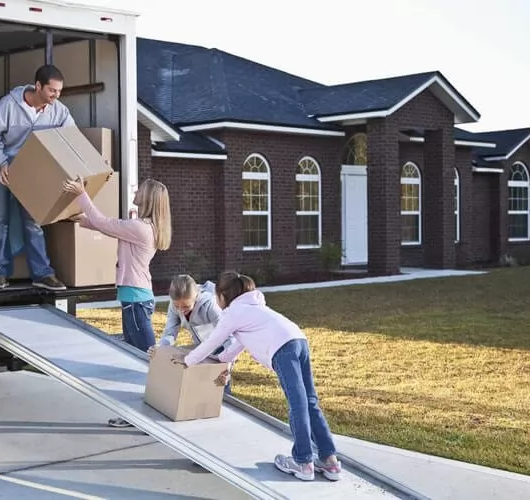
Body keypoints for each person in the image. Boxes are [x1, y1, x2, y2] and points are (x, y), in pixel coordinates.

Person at [169, 271, 342, 482]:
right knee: (310, 401)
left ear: (223, 296)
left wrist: (187, 361)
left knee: (298, 404)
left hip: (283, 349)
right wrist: (223, 364)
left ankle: (303, 462)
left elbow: (211, 343)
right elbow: (235, 347)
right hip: (299, 340)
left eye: (217, 296)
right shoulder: (254, 308)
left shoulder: (233, 314)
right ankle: (329, 460)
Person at [63, 177, 171, 428]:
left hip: (136, 301)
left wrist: (82, 194)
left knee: (145, 362)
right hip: (135, 299)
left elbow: (105, 222)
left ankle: (154, 418)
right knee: (137, 360)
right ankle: (137, 416)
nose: (136, 190)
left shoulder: (141, 228)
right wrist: (80, 221)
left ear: (149, 198)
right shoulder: (141, 226)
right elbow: (105, 226)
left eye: (140, 190)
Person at [0, 64, 74, 291]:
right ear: (38, 86)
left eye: (59, 91)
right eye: (52, 91)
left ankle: (42, 274)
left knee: (33, 221)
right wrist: (0, 163)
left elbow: (70, 138)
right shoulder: (9, 105)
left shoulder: (59, 111)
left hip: (31, 170)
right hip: (1, 165)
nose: (56, 96)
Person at [148, 274, 236, 395]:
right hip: (201, 349)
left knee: (220, 389)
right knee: (201, 389)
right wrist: (160, 348)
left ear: (196, 297)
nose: (181, 310)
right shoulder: (174, 306)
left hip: (222, 351)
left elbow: (230, 339)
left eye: (186, 306)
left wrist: (227, 369)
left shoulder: (210, 305)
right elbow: (170, 332)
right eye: (177, 306)